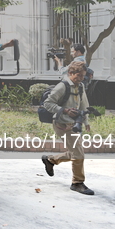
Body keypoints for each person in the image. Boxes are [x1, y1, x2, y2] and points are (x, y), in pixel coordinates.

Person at [41, 61, 94, 195]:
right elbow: (47, 103)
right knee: (78, 153)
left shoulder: (80, 86)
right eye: (79, 75)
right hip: (62, 124)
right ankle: (77, 183)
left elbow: (83, 105)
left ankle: (50, 160)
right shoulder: (62, 86)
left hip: (74, 124)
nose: (81, 78)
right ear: (70, 73)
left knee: (75, 152)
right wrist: (64, 110)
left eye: (83, 76)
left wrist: (86, 121)